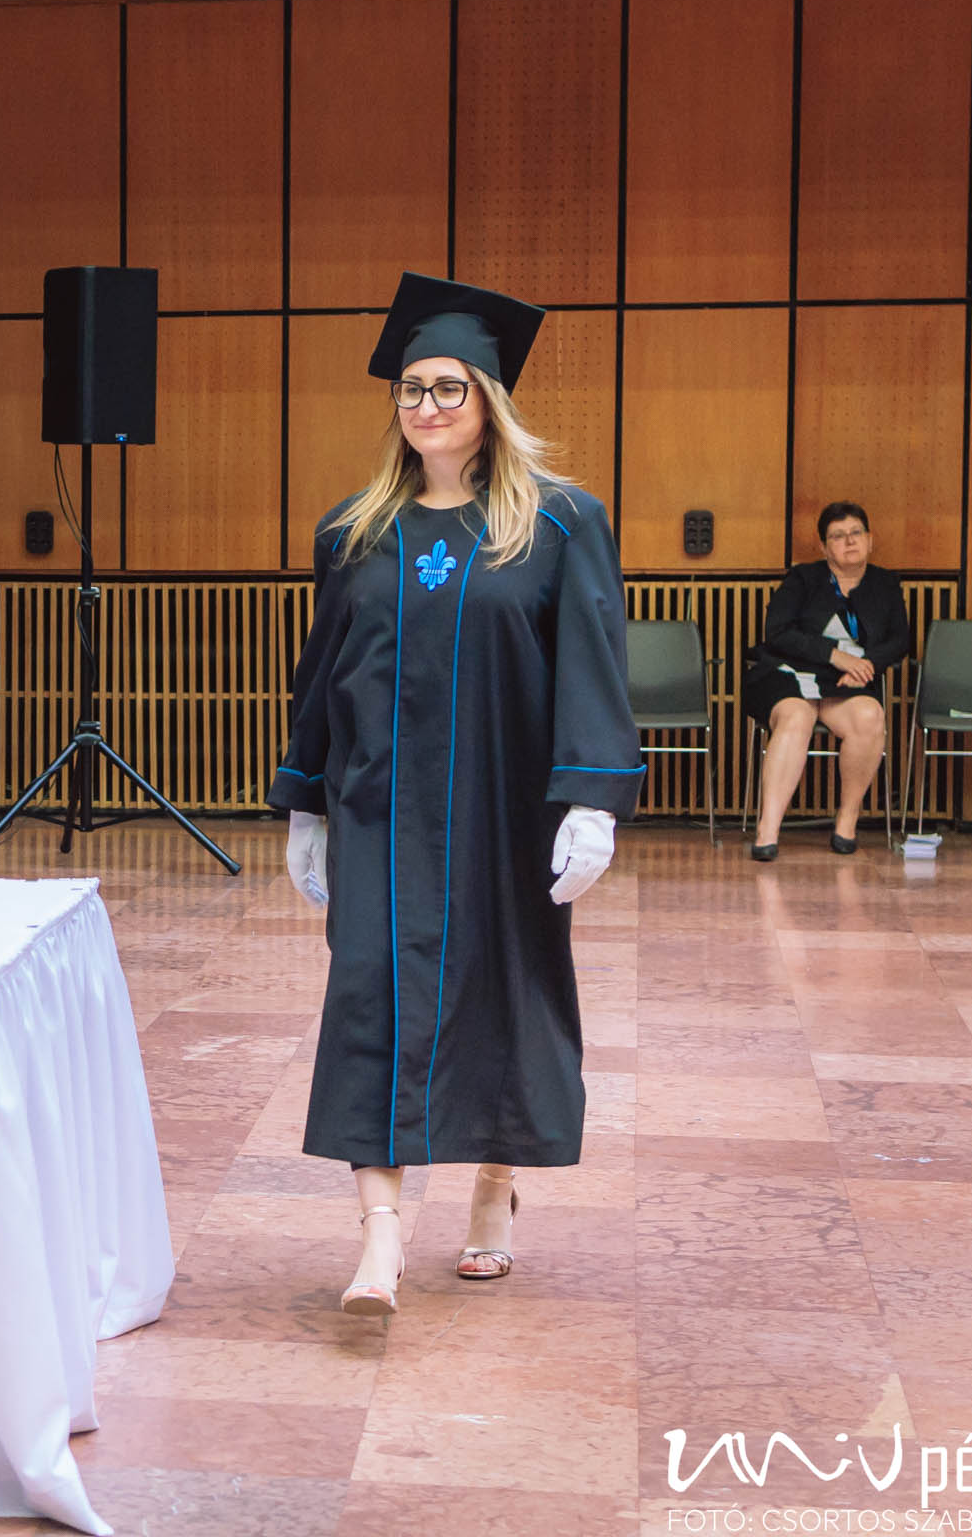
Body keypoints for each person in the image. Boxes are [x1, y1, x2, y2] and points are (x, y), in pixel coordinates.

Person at [269, 272, 643, 1319]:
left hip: (502, 811)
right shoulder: (354, 533)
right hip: (380, 814)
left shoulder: (559, 523)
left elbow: (592, 662)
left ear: (488, 399)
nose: (426, 406)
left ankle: (492, 1189)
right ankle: (380, 1236)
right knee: (369, 1000)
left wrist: (591, 800)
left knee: (502, 997)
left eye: (448, 387)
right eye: (411, 388)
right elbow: (323, 675)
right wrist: (306, 802)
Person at [744, 501, 911, 860]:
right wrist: (836, 656)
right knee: (796, 717)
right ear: (823, 547)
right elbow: (778, 632)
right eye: (838, 536)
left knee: (869, 716)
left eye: (856, 533)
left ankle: (847, 822)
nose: (849, 541)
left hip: (846, 683)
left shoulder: (885, 583)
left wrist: (867, 665)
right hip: (788, 674)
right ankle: (767, 831)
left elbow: (900, 640)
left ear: (870, 539)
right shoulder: (802, 579)